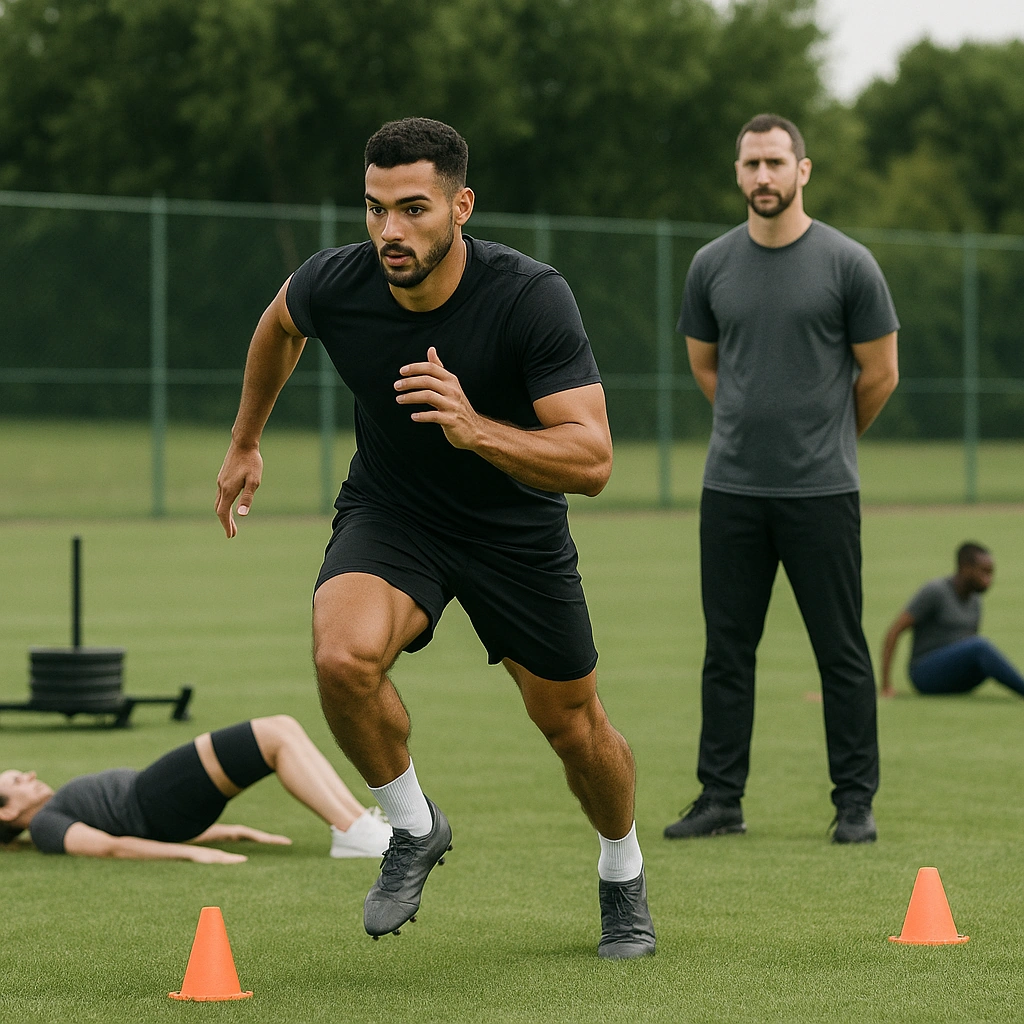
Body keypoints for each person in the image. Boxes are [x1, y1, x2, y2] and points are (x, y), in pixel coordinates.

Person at [214, 118, 654, 959]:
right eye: (374, 209)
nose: (389, 231)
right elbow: (279, 326)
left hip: (514, 530)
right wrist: (244, 441)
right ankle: (413, 826)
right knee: (342, 657)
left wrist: (474, 427)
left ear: (461, 205)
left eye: (412, 209)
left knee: (574, 726)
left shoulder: (530, 296)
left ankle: (622, 873)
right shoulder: (337, 281)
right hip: (394, 511)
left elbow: (592, 461)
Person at [664, 113, 900, 845]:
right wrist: (749, 426)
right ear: (738, 175)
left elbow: (880, 373)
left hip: (823, 492)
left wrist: (826, 439)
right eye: (750, 164)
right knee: (727, 651)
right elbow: (707, 367)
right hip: (730, 490)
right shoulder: (711, 265)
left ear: (803, 171)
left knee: (841, 651)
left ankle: (854, 803)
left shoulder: (849, 263)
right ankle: (720, 799)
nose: (762, 176)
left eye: (775, 162)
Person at [0, 715, 392, 860]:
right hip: (156, 799)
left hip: (163, 802)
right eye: (18, 781)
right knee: (273, 735)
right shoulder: (45, 826)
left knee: (283, 730)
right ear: (6, 812)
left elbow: (117, 829)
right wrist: (190, 855)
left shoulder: (48, 817)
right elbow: (111, 846)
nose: (30, 775)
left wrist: (228, 832)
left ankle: (357, 823)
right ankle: (352, 831)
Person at [880, 542, 1024, 699]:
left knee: (980, 652)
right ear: (965, 568)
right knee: (980, 646)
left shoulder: (975, 599)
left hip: (955, 675)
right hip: (925, 674)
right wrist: (886, 685)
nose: (989, 580)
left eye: (991, 573)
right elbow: (895, 631)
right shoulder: (935, 591)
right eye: (984, 573)